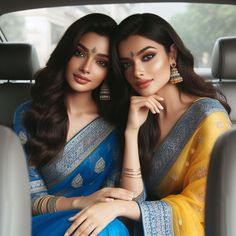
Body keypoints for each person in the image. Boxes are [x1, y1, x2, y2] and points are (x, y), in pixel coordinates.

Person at [64, 13, 232, 236]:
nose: (137, 72)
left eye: (148, 57)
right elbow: (132, 196)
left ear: (172, 55)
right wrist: (132, 131)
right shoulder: (137, 114)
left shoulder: (208, 116)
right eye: (126, 64)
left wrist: (122, 207)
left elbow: (202, 208)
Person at [13, 13, 132, 236]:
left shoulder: (117, 123)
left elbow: (116, 195)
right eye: (79, 53)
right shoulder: (29, 114)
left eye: (101, 62)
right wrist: (81, 202)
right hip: (41, 223)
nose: (86, 67)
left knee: (109, 229)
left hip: (99, 220)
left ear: (110, 71)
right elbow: (29, 198)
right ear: (66, 54)